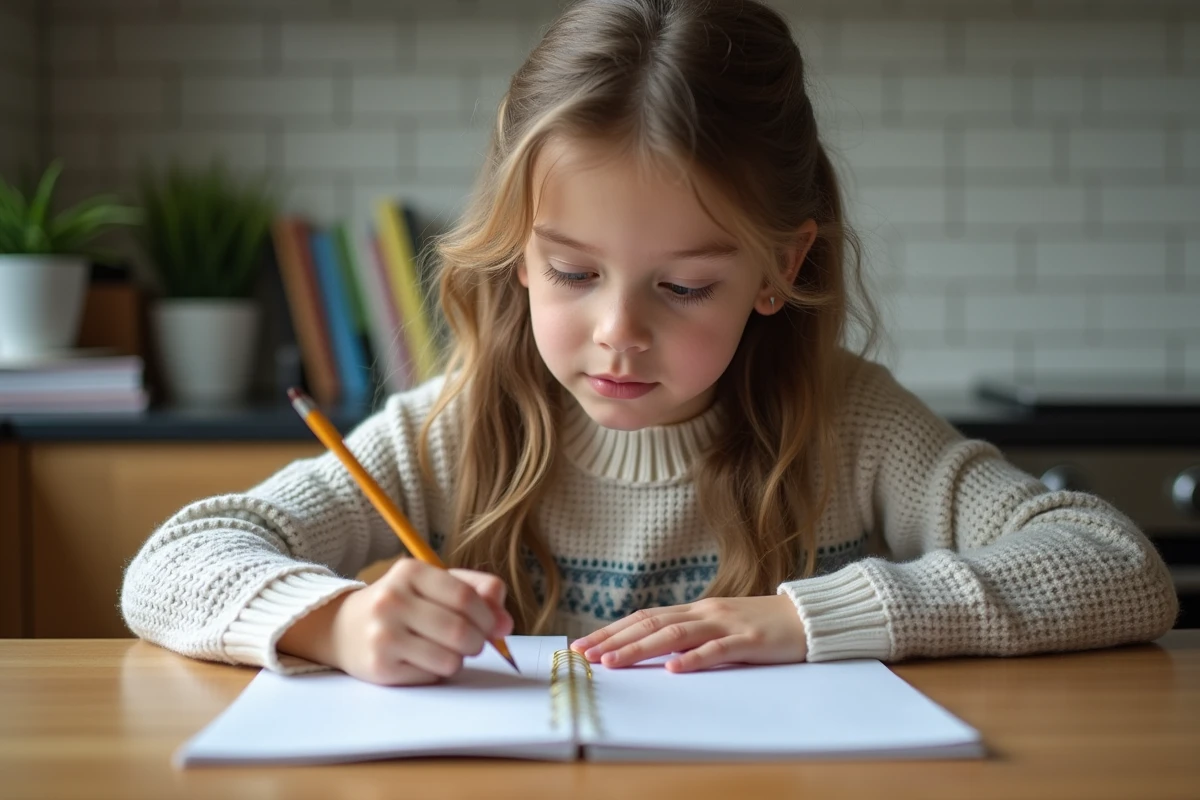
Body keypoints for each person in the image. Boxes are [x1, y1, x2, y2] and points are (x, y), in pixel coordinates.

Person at [121, 0, 1177, 686]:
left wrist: (813, 618)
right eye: (573, 272)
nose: (619, 331)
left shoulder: (851, 425)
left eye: (684, 284)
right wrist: (340, 620)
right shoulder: (457, 427)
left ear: (781, 266)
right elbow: (172, 563)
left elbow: (1116, 566)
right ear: (518, 256)